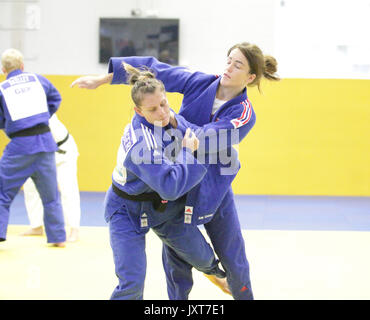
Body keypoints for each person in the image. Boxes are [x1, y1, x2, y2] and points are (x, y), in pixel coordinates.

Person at [71, 42, 280, 299]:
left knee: (232, 255)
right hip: (177, 177)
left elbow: (209, 138)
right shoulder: (201, 82)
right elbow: (156, 70)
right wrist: (103, 80)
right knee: (176, 260)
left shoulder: (244, 114)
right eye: (228, 60)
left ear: (249, 77)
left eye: (237, 65)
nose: (228, 67)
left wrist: (176, 121)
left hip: (211, 185)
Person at [73, 63, 228, 300]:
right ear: (138, 112)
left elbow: (193, 133)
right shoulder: (140, 145)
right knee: (132, 283)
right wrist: (187, 153)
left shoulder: (167, 118)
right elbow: (171, 186)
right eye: (153, 109)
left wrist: (188, 126)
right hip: (127, 210)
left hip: (162, 207)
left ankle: (215, 274)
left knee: (203, 256)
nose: (163, 113)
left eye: (164, 104)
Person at [0, 48, 66, 247]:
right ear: (22, 66)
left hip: (20, 146)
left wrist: (10, 125)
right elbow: (56, 99)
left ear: (3, 69)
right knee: (51, 195)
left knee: (2, 193)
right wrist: (42, 116)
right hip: (46, 143)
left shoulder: (3, 89)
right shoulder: (38, 80)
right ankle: (58, 239)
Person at [20, 113, 81, 242]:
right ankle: (36, 226)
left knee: (68, 189)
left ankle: (74, 229)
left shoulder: (39, 107)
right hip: (38, 151)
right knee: (30, 185)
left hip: (63, 149)